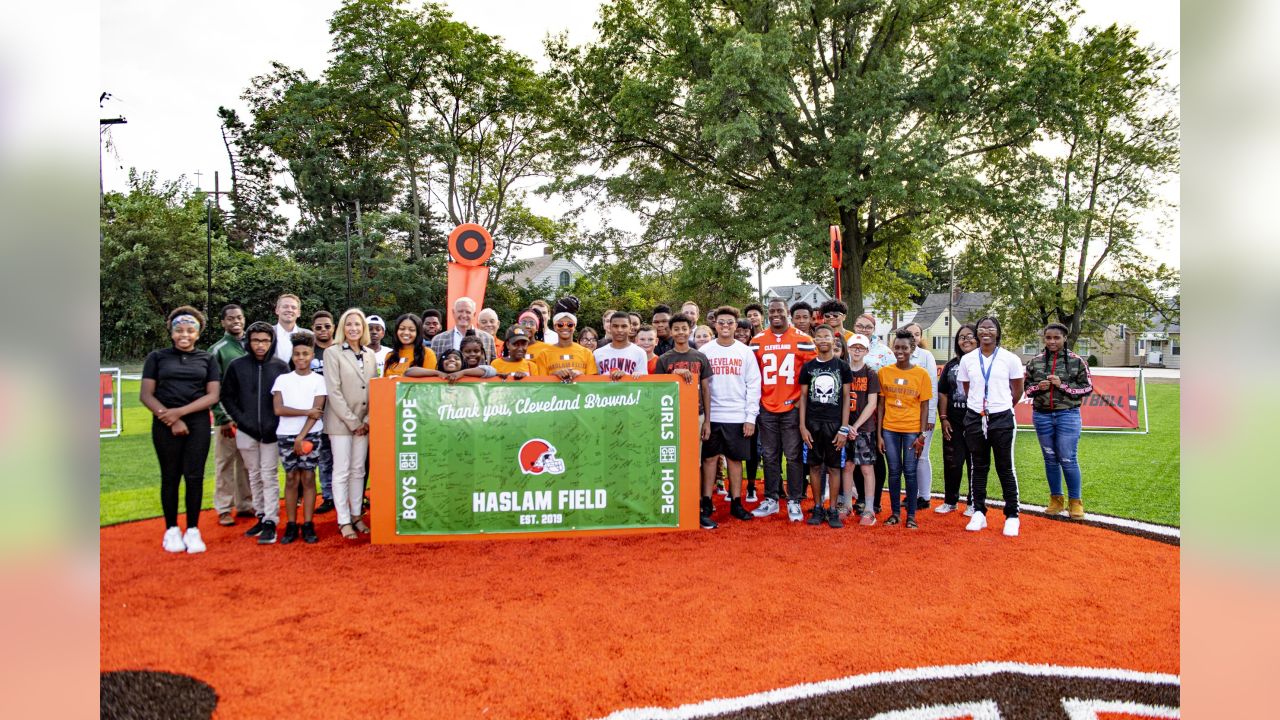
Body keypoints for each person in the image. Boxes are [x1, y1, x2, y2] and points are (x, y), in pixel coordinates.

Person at [139, 306, 220, 554]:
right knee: (170, 476)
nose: (184, 334)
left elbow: (213, 395)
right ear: (171, 332)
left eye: (190, 330)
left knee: (194, 476)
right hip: (164, 423)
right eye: (179, 330)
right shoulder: (157, 357)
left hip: (197, 422)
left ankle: (193, 529)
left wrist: (181, 414)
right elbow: (146, 395)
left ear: (198, 334)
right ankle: (172, 529)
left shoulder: (207, 359)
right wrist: (171, 419)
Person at [220, 321, 290, 544]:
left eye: (265, 341)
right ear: (249, 342)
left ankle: (271, 519)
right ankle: (260, 515)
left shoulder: (280, 367)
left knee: (269, 475)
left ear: (272, 342)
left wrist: (275, 424)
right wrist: (241, 421)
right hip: (246, 431)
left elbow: (288, 397)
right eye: (256, 340)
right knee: (254, 475)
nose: (261, 345)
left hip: (272, 431)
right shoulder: (237, 365)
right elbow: (227, 397)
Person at [748, 298, 815, 522]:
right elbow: (751, 374)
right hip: (766, 406)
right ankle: (771, 499)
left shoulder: (803, 339)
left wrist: (799, 402)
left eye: (780, 310)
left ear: (787, 312)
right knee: (769, 455)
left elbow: (813, 373)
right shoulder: (756, 341)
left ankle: (794, 500)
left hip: (792, 406)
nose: (776, 314)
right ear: (768, 313)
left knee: (793, 455)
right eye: (772, 311)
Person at [958, 316, 1025, 536]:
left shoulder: (1010, 358)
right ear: (977, 333)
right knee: (978, 466)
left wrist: (1000, 406)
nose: (986, 331)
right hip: (975, 417)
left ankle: (1012, 515)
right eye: (982, 328)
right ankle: (979, 512)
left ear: (997, 332)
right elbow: (968, 389)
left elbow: (1017, 390)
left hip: (1002, 417)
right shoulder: (967, 360)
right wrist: (980, 407)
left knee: (1005, 466)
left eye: (991, 328)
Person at [1024, 322, 1093, 519]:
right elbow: (1027, 389)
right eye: (1048, 338)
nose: (1052, 341)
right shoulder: (1035, 362)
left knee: (1068, 458)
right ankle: (1056, 500)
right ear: (1044, 339)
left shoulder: (1077, 361)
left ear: (1064, 339)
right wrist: (1039, 387)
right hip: (1041, 416)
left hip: (1068, 415)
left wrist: (1063, 386)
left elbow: (1087, 388)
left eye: (1056, 338)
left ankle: (1075, 502)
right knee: (1050, 459)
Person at [700, 306, 762, 523]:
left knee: (735, 461)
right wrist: (705, 418)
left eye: (730, 322)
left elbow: (754, 384)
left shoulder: (745, 351)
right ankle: (706, 501)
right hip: (713, 415)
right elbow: (702, 386)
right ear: (714, 324)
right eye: (721, 322)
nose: (725, 326)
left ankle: (736, 502)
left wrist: (750, 417)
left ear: (736, 326)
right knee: (709, 459)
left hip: (737, 415)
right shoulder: (706, 351)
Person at [654, 315, 714, 528]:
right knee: (671, 462)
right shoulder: (664, 360)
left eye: (684, 328)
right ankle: (671, 504)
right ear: (671, 332)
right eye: (676, 329)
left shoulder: (700, 357)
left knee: (695, 463)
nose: (680, 332)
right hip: (671, 416)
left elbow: (706, 389)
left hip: (696, 416)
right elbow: (658, 390)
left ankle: (696, 506)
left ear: (690, 330)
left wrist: (707, 420)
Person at [324, 308, 377, 541]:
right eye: (349, 324)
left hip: (364, 423)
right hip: (341, 422)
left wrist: (366, 420)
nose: (353, 328)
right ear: (342, 327)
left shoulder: (369, 354)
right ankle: (343, 520)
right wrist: (353, 421)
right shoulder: (332, 353)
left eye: (358, 324)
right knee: (342, 471)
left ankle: (357, 515)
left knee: (359, 470)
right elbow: (333, 391)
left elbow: (374, 388)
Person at [272, 332, 327, 545]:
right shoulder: (282, 379)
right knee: (291, 478)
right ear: (292, 356)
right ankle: (292, 524)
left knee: (308, 478)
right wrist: (306, 411)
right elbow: (279, 409)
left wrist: (301, 436)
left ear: (312, 355)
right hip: (285, 434)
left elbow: (318, 412)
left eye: (305, 353)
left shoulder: (319, 380)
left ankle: (308, 523)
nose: (301, 358)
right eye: (297, 354)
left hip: (310, 435)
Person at [877, 329, 932, 530]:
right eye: (897, 347)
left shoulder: (921, 374)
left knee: (910, 471)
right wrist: (879, 434)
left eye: (904, 348)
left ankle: (911, 515)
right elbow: (881, 405)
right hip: (889, 429)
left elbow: (925, 405)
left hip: (911, 430)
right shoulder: (884, 372)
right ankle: (894, 513)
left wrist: (921, 434)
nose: (900, 351)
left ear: (912, 348)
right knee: (894, 472)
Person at [798, 325, 852, 527]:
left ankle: (833, 510)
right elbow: (803, 397)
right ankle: (818, 506)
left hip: (835, 424)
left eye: (826, 336)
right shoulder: (809, 367)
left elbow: (846, 398)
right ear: (814, 340)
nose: (822, 340)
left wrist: (844, 428)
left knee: (834, 466)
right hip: (813, 423)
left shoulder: (842, 367)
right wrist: (802, 426)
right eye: (818, 336)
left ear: (833, 339)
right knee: (814, 465)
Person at [208, 304, 254, 526]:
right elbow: (211, 387)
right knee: (225, 462)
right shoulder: (218, 349)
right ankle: (224, 508)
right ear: (223, 322)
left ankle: (245, 504)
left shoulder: (252, 345)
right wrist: (222, 417)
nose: (236, 321)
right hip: (227, 416)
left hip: (249, 416)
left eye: (239, 317)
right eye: (231, 318)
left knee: (246, 462)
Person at [853, 312, 895, 514]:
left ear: (874, 329)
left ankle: (875, 500)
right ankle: (860, 497)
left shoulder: (885, 352)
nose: (863, 329)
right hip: (854, 411)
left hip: (877, 411)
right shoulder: (849, 346)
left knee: (875, 458)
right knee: (856, 458)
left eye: (867, 327)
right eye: (860, 326)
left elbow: (892, 381)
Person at [936, 324, 977, 515]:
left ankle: (973, 502)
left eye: (970, 336)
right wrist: (943, 418)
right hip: (954, 422)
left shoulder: (983, 363)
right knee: (952, 462)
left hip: (976, 421)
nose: (966, 340)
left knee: (975, 463)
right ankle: (950, 500)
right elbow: (943, 392)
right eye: (961, 337)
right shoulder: (951, 365)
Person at [842, 334, 880, 525]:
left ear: (866, 351)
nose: (857, 350)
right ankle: (847, 504)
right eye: (854, 347)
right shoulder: (842, 371)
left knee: (866, 468)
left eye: (861, 348)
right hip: (844, 427)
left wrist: (855, 426)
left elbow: (872, 403)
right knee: (848, 466)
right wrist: (846, 425)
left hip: (864, 428)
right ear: (848, 349)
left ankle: (869, 508)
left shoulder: (870, 374)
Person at [904, 322, 939, 511]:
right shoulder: (898, 355)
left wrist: (931, 417)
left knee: (922, 456)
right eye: (910, 333)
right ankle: (912, 493)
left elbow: (932, 387)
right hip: (904, 416)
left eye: (917, 334)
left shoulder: (926, 356)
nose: (914, 337)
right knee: (909, 457)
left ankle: (924, 496)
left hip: (923, 415)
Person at [309, 310, 336, 515]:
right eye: (318, 327)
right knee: (324, 458)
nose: (323, 330)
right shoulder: (308, 352)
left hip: (340, 412)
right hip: (318, 415)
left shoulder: (340, 349)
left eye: (327, 326)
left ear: (333, 327)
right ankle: (328, 496)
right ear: (312, 329)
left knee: (347, 459)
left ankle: (354, 496)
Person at [533, 311, 597, 381]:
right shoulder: (544, 354)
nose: (565, 327)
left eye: (570, 324)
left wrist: (580, 374)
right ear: (555, 327)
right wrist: (555, 375)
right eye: (560, 324)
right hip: (554, 392)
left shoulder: (586, 353)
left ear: (574, 327)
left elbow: (593, 383)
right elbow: (540, 383)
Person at [430, 297, 496, 362]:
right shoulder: (438, 340)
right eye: (460, 311)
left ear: (474, 314)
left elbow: (494, 368)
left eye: (468, 312)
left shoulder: (488, 339)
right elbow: (434, 369)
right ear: (453, 313)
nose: (464, 315)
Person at [594, 312, 649, 379]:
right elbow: (592, 383)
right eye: (615, 326)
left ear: (630, 328)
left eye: (624, 326)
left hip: (629, 389)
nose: (619, 330)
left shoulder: (640, 353)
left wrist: (627, 377)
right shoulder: (597, 353)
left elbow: (643, 384)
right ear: (610, 327)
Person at [384, 314, 438, 378]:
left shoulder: (427, 353)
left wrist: (401, 380)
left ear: (418, 333)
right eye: (402, 329)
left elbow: (429, 384)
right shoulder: (390, 355)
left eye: (411, 330)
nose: (406, 332)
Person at [272, 293, 302, 365]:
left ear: (298, 313)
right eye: (285, 306)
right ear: (277, 310)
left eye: (293, 307)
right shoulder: (267, 333)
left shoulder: (310, 335)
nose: (289, 310)